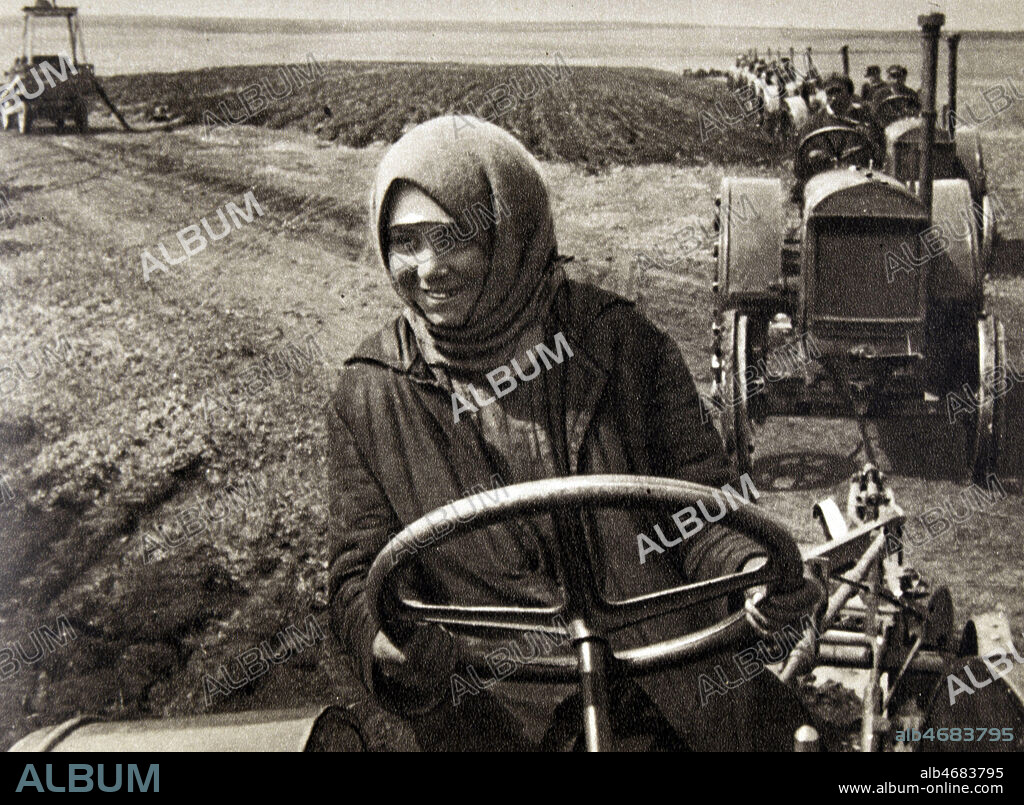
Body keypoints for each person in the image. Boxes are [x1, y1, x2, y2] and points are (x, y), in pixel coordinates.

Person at [326, 115, 825, 751]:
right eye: (405, 242)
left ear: (509, 231)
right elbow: (355, 573)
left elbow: (705, 507)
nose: (428, 269)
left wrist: (751, 569)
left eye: (451, 238)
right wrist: (386, 642)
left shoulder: (621, 346)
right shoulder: (369, 394)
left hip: (665, 675)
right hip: (494, 705)